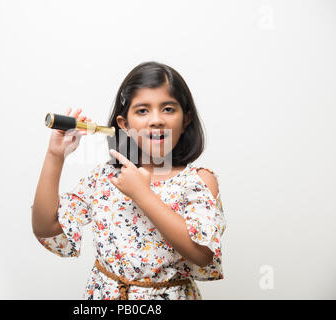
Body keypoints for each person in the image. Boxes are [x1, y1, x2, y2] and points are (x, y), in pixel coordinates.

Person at [31, 61, 226, 300]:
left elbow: (201, 253)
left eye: (168, 109)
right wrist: (55, 156)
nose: (156, 120)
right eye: (142, 110)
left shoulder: (199, 181)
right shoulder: (106, 177)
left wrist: (142, 195)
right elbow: (46, 228)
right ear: (125, 125)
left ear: (186, 120)